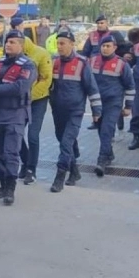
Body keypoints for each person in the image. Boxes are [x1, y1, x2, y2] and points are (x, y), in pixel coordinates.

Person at [0, 30, 36, 205]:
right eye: (7, 42)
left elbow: (20, 87)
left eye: (13, 42)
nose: (8, 45)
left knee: (11, 152)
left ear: (21, 45)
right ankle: (3, 184)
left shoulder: (27, 65)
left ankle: (11, 189)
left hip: (16, 114)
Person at [49, 30, 101, 193]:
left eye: (62, 43)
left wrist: (96, 110)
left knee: (66, 143)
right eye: (58, 43)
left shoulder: (82, 62)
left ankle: (60, 177)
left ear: (72, 44)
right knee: (63, 139)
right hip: (58, 110)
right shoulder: (54, 62)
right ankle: (75, 171)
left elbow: (91, 87)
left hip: (75, 111)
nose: (59, 46)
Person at [90, 36, 135, 176]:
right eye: (103, 46)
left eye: (108, 46)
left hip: (113, 103)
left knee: (106, 130)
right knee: (100, 130)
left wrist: (128, 106)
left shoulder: (121, 64)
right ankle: (109, 154)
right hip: (96, 103)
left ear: (115, 48)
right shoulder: (92, 61)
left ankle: (102, 160)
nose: (105, 48)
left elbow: (130, 86)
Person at [16, 36, 52, 185]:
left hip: (38, 100)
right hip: (20, 101)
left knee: (33, 135)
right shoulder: (13, 56)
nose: (10, 45)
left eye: (14, 42)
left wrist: (30, 95)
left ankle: (31, 169)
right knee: (16, 133)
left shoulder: (41, 53)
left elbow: (46, 78)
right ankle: (25, 161)